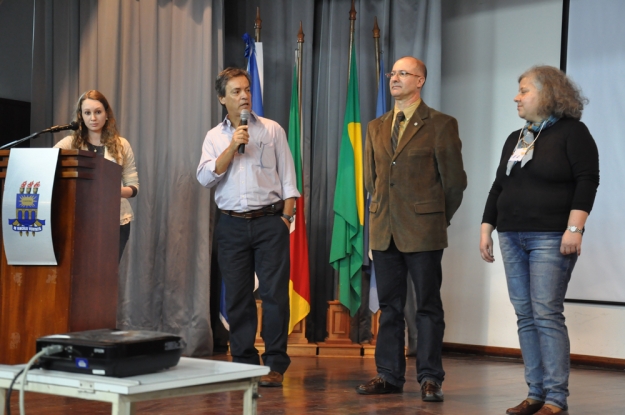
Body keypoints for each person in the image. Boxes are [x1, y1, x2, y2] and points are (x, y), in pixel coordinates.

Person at [480, 66, 599, 415]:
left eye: (523, 90)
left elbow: (587, 180)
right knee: (525, 315)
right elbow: (499, 185)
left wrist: (574, 229)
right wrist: (487, 227)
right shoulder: (517, 137)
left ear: (548, 95)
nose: (517, 97)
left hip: (550, 236)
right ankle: (535, 393)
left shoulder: (573, 133)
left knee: (546, 313)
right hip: (511, 235)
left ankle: (555, 399)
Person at [358, 56, 467, 401]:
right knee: (390, 307)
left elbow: (454, 183)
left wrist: (435, 218)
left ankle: (430, 377)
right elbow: (372, 181)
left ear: (420, 81)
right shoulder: (376, 127)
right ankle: (389, 375)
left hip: (424, 231)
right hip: (384, 229)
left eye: (403, 73)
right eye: (392, 73)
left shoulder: (440, 124)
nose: (395, 78)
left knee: (427, 307)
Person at [196, 68, 299, 387]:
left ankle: (274, 364)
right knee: (238, 297)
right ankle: (242, 362)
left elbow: (289, 180)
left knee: (274, 295)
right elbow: (204, 178)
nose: (244, 96)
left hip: (270, 223)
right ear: (222, 98)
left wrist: (285, 217)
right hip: (231, 225)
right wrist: (232, 146)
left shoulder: (272, 130)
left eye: (247, 90)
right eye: (237, 91)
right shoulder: (215, 137)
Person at [54, 90, 139, 261]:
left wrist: (113, 191)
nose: (93, 118)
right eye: (87, 113)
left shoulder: (121, 144)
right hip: (79, 219)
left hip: (115, 221)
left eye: (98, 112)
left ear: (106, 114)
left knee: (106, 276)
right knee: (81, 274)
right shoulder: (69, 143)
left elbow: (134, 187)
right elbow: (47, 169)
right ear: (81, 116)